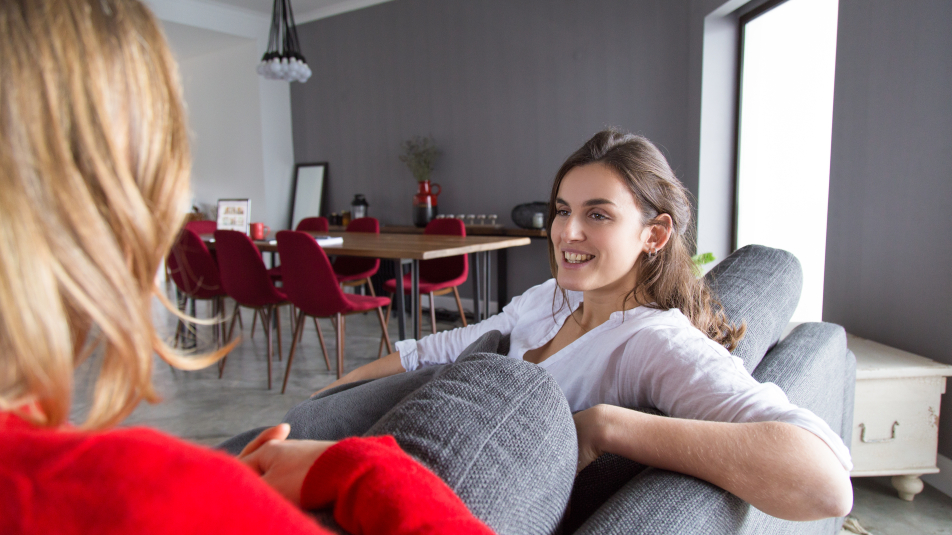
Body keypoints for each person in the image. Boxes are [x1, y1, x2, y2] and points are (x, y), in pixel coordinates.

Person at [0, 1, 500, 533]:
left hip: (293, 334)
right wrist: (365, 468)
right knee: (512, 390)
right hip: (341, 468)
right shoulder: (154, 494)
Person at [317, 129, 854, 521]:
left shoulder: (652, 341)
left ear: (655, 235)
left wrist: (603, 427)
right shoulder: (549, 298)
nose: (566, 232)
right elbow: (435, 350)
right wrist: (332, 395)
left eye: (598, 214)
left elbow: (825, 481)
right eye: (561, 209)